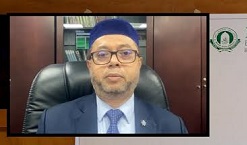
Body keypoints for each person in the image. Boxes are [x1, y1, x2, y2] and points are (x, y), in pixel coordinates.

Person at [37, 18, 187, 134]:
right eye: (102, 54)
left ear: (138, 64)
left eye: (126, 53)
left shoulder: (172, 126)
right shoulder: (52, 122)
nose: (114, 62)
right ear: (90, 66)